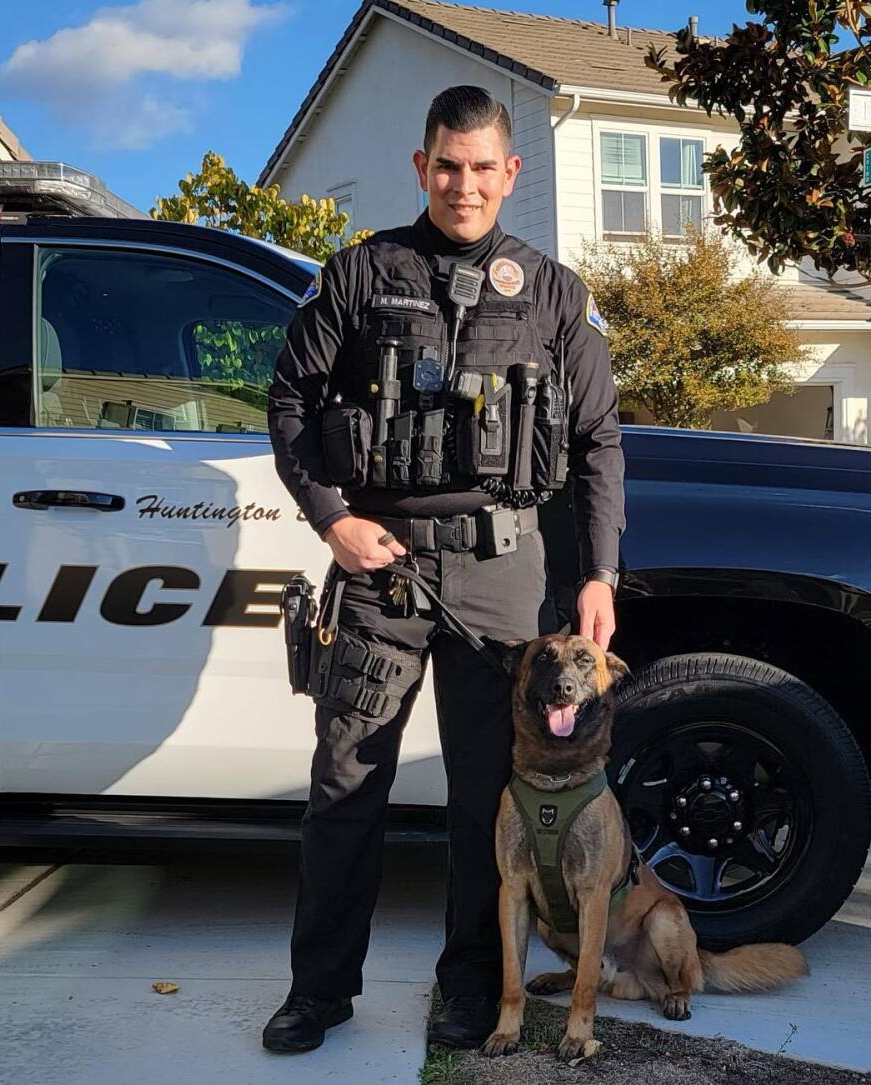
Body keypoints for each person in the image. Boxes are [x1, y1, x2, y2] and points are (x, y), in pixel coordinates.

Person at [262, 85, 625, 1053]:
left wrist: (599, 572)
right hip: (379, 570)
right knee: (345, 787)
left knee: (482, 798)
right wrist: (333, 518)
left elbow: (597, 442)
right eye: (447, 166)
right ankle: (319, 989)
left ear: (512, 174)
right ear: (422, 168)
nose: (464, 186)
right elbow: (290, 404)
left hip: (503, 575)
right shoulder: (358, 273)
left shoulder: (553, 292)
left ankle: (468, 982)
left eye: (483, 168)